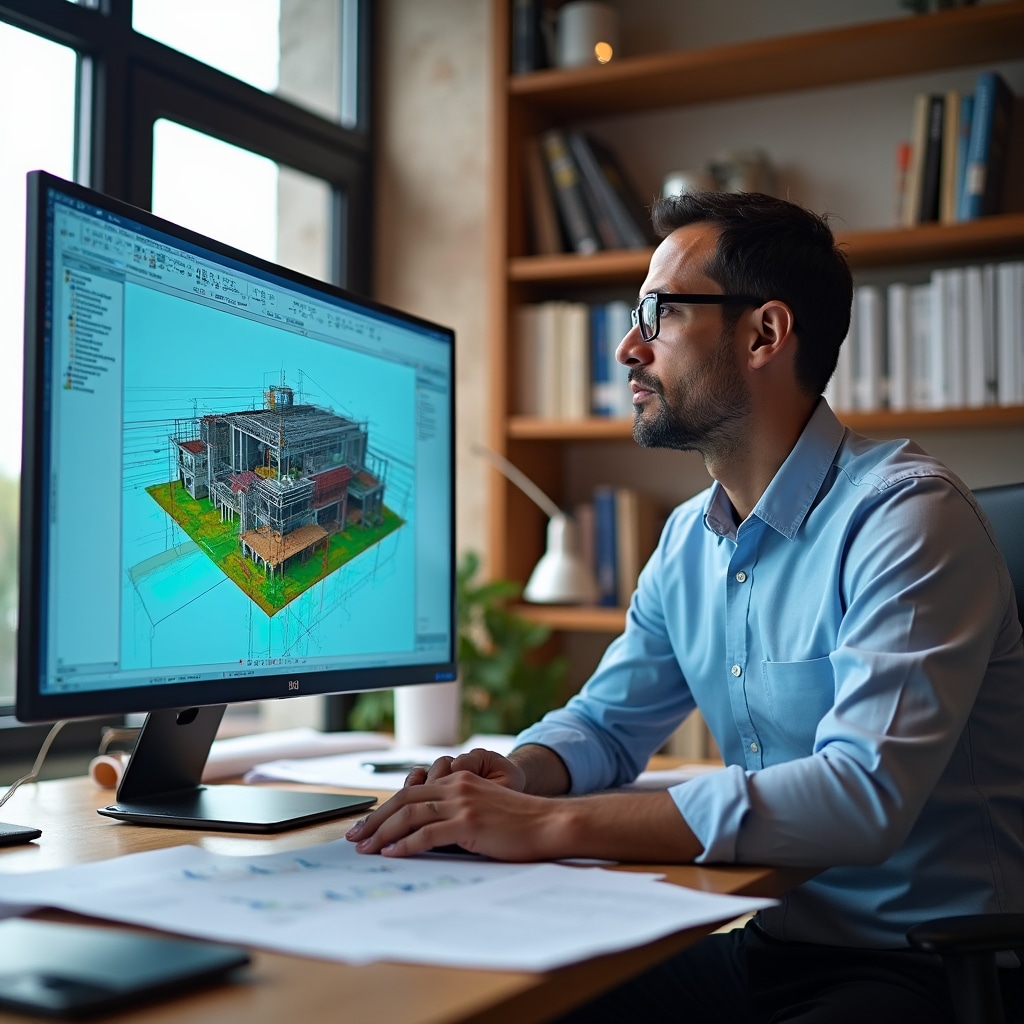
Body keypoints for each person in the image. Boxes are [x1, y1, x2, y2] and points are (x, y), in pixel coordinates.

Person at [346, 192, 1024, 1022]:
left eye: (658, 314)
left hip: (934, 967)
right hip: (773, 941)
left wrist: (548, 825)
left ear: (764, 334)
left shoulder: (908, 518)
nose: (628, 348)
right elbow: (606, 725)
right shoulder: (685, 540)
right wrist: (519, 774)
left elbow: (861, 797)